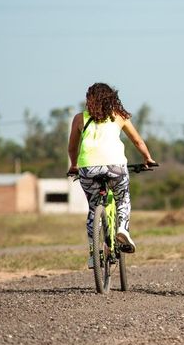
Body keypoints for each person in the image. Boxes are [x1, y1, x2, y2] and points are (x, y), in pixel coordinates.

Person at [67, 82, 156, 267]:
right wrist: (148, 158)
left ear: (89, 99)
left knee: (94, 208)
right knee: (122, 199)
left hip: (88, 168)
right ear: (112, 98)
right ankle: (122, 229)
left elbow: (72, 147)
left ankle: (94, 253)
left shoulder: (79, 118)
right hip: (116, 166)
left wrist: (74, 165)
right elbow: (137, 141)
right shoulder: (119, 116)